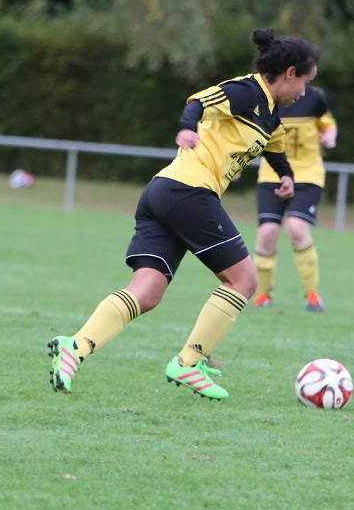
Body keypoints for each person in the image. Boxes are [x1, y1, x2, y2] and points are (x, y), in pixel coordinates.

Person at [48, 28, 320, 401]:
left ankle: (75, 347)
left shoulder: (271, 115)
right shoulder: (247, 90)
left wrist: (286, 176)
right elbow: (198, 102)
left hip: (164, 192)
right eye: (305, 81)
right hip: (188, 191)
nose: (304, 92)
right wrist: (186, 129)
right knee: (243, 280)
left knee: (147, 293)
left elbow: (272, 147)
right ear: (290, 73)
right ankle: (190, 362)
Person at [251, 85, 338, 311]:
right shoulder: (264, 99)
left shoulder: (314, 99)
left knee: (296, 227)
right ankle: (263, 295)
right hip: (273, 174)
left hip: (307, 175)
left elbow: (329, 125)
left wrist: (329, 136)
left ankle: (312, 294)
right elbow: (247, 133)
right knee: (267, 233)